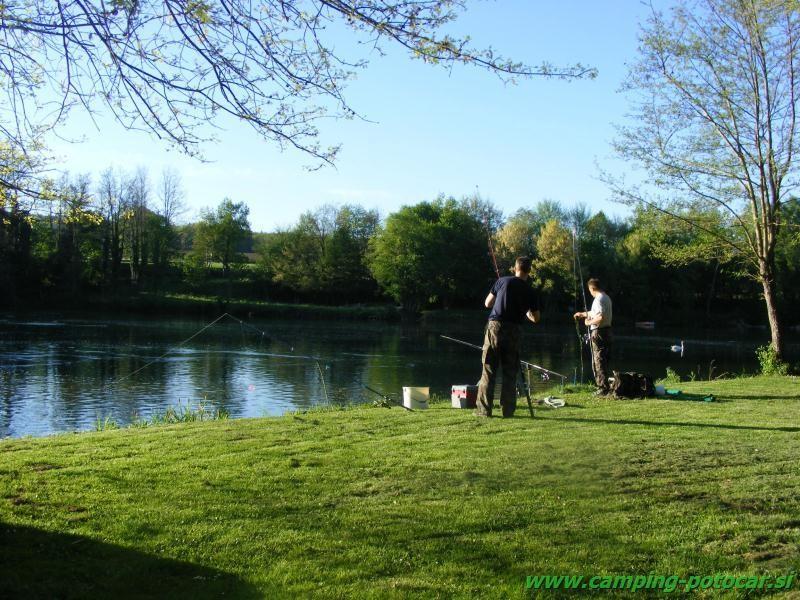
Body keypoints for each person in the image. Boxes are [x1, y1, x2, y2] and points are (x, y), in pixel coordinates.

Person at [476, 256, 541, 418]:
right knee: (510, 372)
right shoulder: (530, 291)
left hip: (495, 327)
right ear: (529, 271)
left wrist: (501, 296)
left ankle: (484, 411)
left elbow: (487, 304)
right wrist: (525, 309)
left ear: (515, 268)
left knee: (489, 369)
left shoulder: (503, 281)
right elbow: (536, 318)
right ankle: (508, 411)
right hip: (515, 330)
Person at [573, 278, 613, 395]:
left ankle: (602, 388)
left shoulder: (598, 299)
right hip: (607, 331)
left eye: (589, 290)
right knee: (604, 360)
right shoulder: (606, 297)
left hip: (599, 332)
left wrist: (588, 322)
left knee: (598, 360)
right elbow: (596, 313)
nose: (589, 292)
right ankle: (605, 386)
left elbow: (600, 317)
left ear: (592, 288)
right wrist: (583, 314)